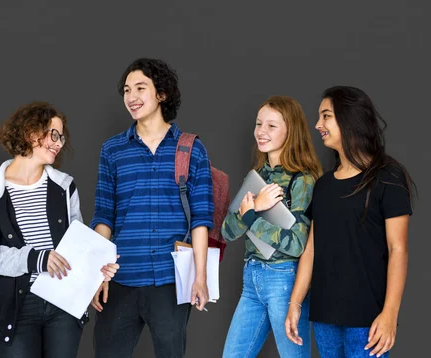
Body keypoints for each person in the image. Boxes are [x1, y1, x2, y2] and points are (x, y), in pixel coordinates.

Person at [0, 101, 119, 358]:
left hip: (64, 304)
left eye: (62, 137)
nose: (59, 144)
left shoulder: (64, 187)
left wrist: (98, 268)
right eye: (53, 135)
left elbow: (78, 246)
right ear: (30, 133)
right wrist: (36, 258)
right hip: (16, 307)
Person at [90, 58, 214, 358]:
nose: (131, 97)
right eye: (126, 90)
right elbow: (104, 216)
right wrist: (95, 275)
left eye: (140, 88)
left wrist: (200, 277)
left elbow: (201, 219)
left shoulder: (191, 148)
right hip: (121, 278)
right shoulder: (112, 150)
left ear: (162, 94)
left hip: (170, 282)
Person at [285, 86, 415, 358]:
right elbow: (311, 249)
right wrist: (295, 303)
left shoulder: (387, 177)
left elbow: (398, 249)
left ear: (349, 117)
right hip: (324, 317)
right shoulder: (323, 185)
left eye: (326, 116)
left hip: (367, 321)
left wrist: (390, 314)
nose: (318, 124)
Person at [221, 96, 322, 357]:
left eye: (271, 126)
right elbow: (227, 231)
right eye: (258, 124)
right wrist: (252, 209)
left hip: (284, 280)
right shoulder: (257, 177)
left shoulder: (303, 180)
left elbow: (297, 244)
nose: (261, 132)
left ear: (291, 130)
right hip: (251, 279)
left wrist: (254, 215)